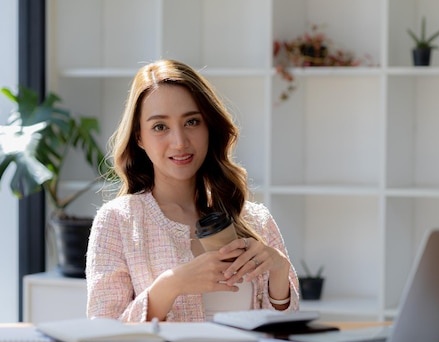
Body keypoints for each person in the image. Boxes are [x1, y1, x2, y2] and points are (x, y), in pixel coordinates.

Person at [86, 59, 299, 322]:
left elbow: (285, 333)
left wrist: (279, 269)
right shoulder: (117, 222)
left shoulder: (256, 220)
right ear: (139, 137)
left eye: (192, 122)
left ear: (209, 126)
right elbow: (103, 332)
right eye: (160, 127)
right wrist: (171, 285)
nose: (179, 142)